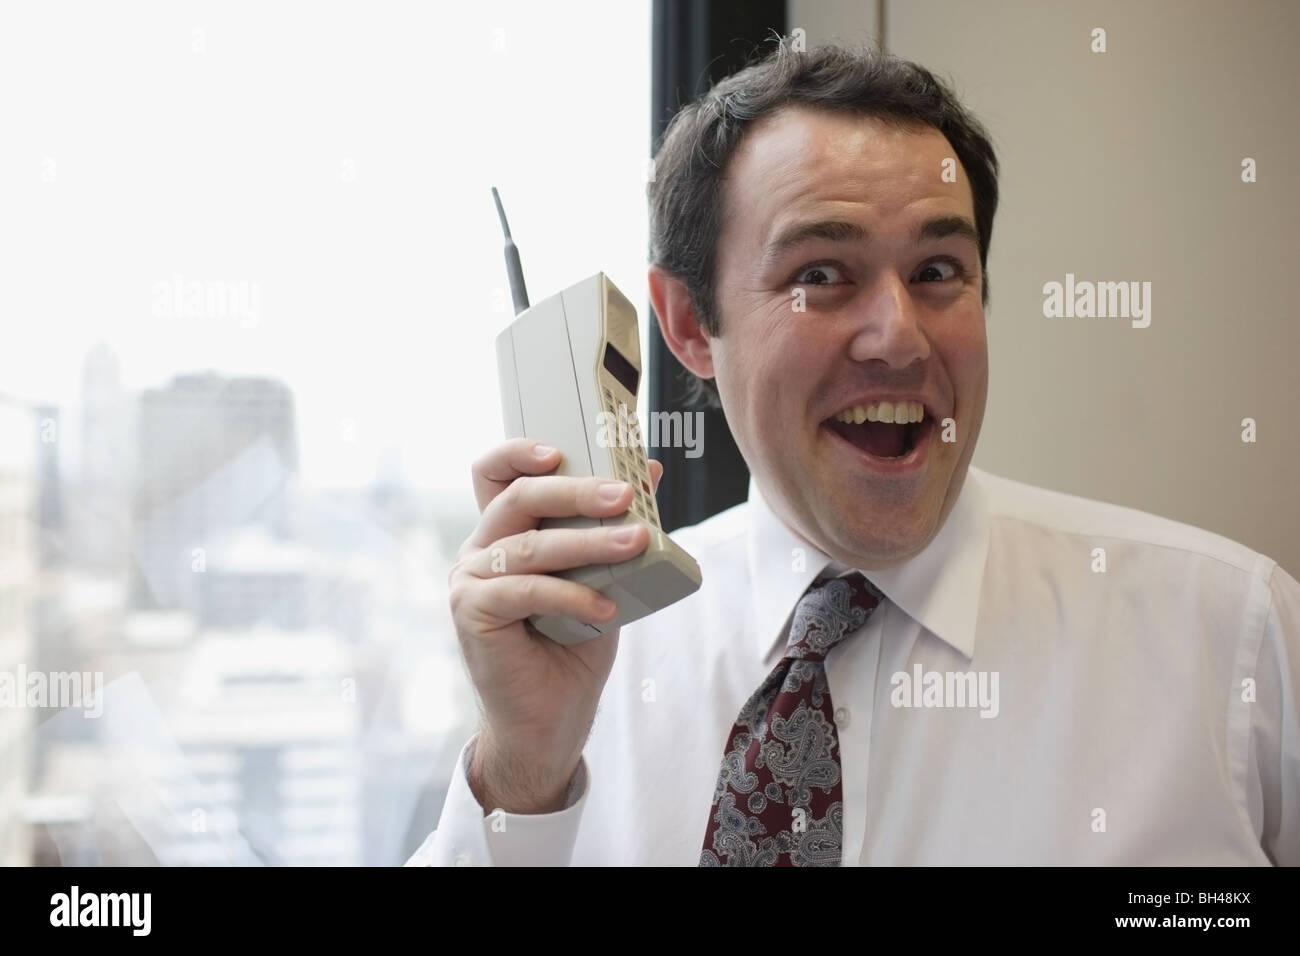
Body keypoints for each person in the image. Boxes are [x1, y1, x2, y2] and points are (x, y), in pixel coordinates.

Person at [409, 41, 1299, 866]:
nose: (898, 338)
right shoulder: (592, 665)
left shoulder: (1233, 643)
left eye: (938, 271)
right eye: (821, 275)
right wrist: (521, 775)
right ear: (687, 324)